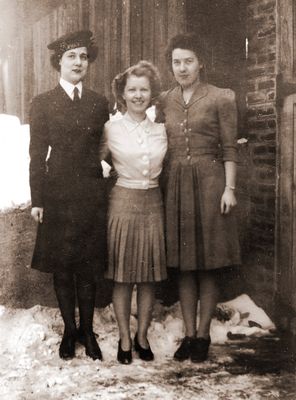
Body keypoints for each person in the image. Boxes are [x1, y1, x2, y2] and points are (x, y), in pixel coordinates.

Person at [155, 33, 241, 363]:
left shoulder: (221, 97)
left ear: (200, 62)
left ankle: (203, 335)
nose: (182, 67)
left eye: (188, 61)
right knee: (184, 266)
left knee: (208, 265)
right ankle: (188, 335)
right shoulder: (163, 100)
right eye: (176, 62)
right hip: (175, 184)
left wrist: (229, 188)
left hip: (210, 184)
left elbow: (230, 148)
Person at [29, 30, 109, 361]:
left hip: (90, 193)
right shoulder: (43, 103)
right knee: (63, 267)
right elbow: (36, 154)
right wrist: (37, 199)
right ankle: (69, 330)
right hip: (58, 194)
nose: (78, 62)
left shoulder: (98, 102)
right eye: (71, 57)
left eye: (83, 57)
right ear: (58, 63)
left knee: (88, 267)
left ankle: (88, 331)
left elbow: (106, 147)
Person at [99, 61, 167, 364]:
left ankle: (142, 335)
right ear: (122, 94)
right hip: (122, 201)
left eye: (144, 89)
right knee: (123, 276)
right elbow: (94, 165)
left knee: (149, 276)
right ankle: (125, 339)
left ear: (151, 93)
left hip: (153, 202)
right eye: (132, 90)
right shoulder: (110, 128)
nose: (138, 95)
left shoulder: (161, 130)